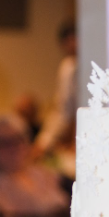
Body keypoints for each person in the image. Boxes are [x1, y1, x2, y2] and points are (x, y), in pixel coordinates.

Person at [33, 20, 79, 180]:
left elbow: (65, 112)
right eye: (67, 42)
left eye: (74, 39)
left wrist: (44, 143)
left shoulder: (72, 66)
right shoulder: (69, 66)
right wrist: (44, 142)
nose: (72, 45)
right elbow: (64, 110)